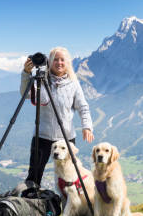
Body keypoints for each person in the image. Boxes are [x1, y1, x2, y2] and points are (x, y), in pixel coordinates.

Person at [20, 46, 94, 187]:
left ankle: (69, 207)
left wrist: (87, 126)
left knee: (68, 177)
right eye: (56, 60)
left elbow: (83, 107)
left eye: (62, 60)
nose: (59, 63)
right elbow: (26, 94)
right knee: (34, 176)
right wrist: (26, 74)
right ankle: (32, 203)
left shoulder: (73, 83)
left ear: (67, 63)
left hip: (65, 138)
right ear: (49, 62)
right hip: (42, 136)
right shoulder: (41, 81)